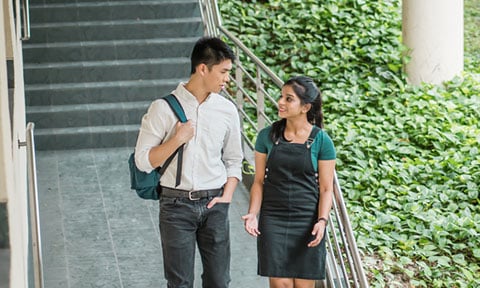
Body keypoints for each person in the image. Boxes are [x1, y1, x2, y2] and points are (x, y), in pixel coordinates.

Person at [134, 36, 243, 288]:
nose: (227, 79)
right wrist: (177, 139)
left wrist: (227, 196)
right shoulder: (162, 108)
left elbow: (234, 159)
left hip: (215, 203)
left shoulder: (226, 110)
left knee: (219, 281)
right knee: (180, 282)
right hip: (176, 206)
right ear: (202, 68)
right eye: (223, 72)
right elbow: (142, 161)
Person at [242, 76, 336, 288]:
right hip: (273, 219)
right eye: (281, 97)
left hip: (307, 221)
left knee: (304, 285)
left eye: (289, 99)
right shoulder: (266, 136)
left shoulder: (322, 140)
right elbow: (258, 181)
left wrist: (322, 221)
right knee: (280, 284)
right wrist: (252, 213)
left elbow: (326, 188)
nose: (280, 102)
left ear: (305, 107)